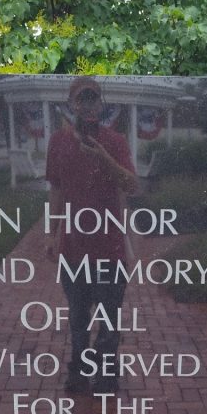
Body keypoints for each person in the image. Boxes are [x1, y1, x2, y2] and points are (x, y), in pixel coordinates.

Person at [45, 78, 137, 394]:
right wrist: (51, 233)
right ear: (72, 104)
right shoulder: (58, 142)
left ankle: (107, 375)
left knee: (109, 319)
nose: (87, 106)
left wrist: (103, 158)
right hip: (73, 247)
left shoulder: (116, 141)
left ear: (101, 104)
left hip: (109, 247)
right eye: (81, 100)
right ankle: (80, 372)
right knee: (78, 317)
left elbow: (130, 184)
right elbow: (56, 188)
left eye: (93, 99)